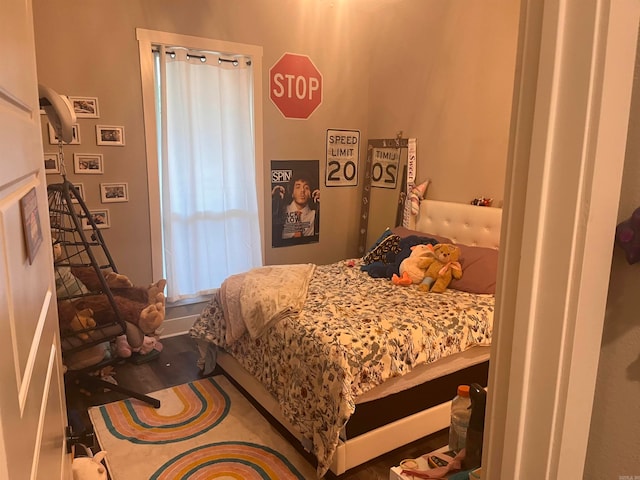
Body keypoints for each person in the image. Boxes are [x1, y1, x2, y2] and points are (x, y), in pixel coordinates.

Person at [272, 170, 320, 239]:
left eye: (306, 187)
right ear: (292, 192)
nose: (302, 190)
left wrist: (324, 200)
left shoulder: (315, 215)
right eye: (298, 187)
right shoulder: (281, 211)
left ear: (311, 193)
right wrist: (273, 199)